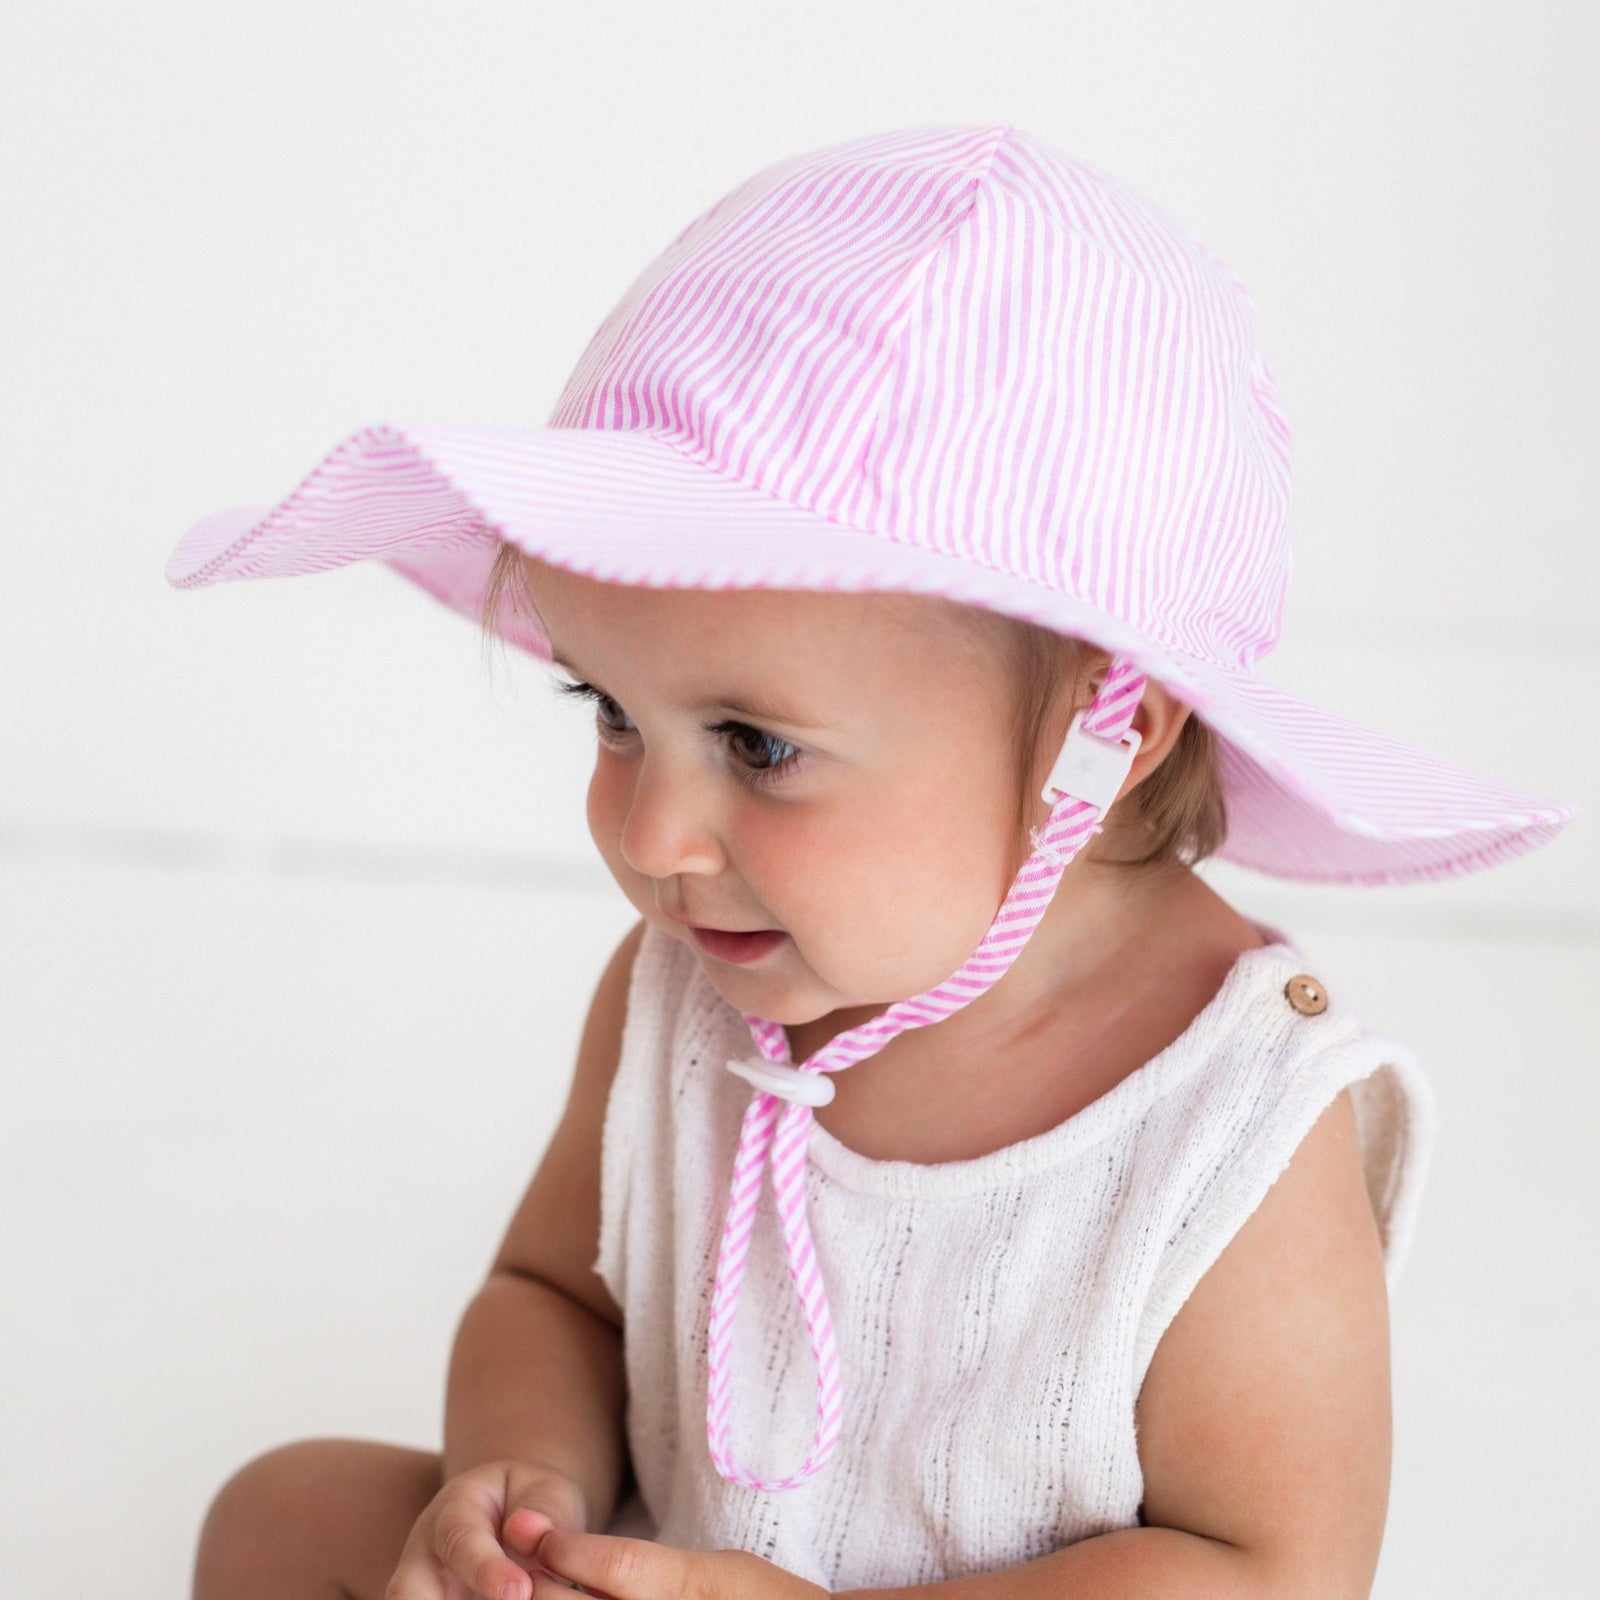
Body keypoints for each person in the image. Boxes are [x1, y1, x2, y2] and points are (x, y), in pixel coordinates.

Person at [166, 124, 1572, 1600]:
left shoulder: (1228, 1133)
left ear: (1114, 737)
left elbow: (1265, 1572)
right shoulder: (684, 999)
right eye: (612, 714)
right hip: (676, 1567)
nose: (651, 839)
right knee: (285, 1517)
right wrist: (525, 1488)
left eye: (759, 747)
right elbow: (550, 1300)